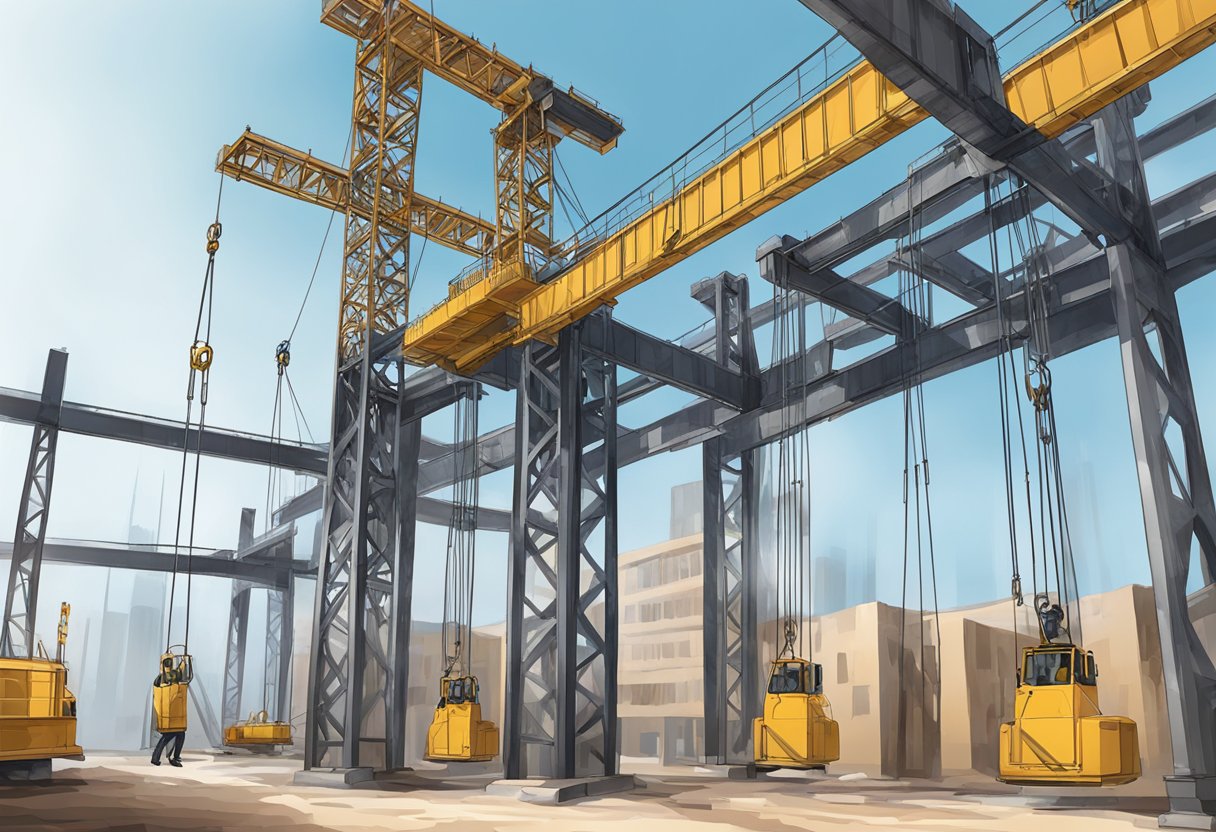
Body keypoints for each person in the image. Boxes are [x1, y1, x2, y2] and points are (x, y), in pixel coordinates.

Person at [151, 657, 186, 767]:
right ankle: (174, 757)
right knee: (177, 735)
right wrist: (184, 662)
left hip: (167, 715)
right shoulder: (171, 675)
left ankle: (157, 758)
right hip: (173, 716)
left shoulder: (159, 678)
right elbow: (180, 672)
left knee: (169, 737)